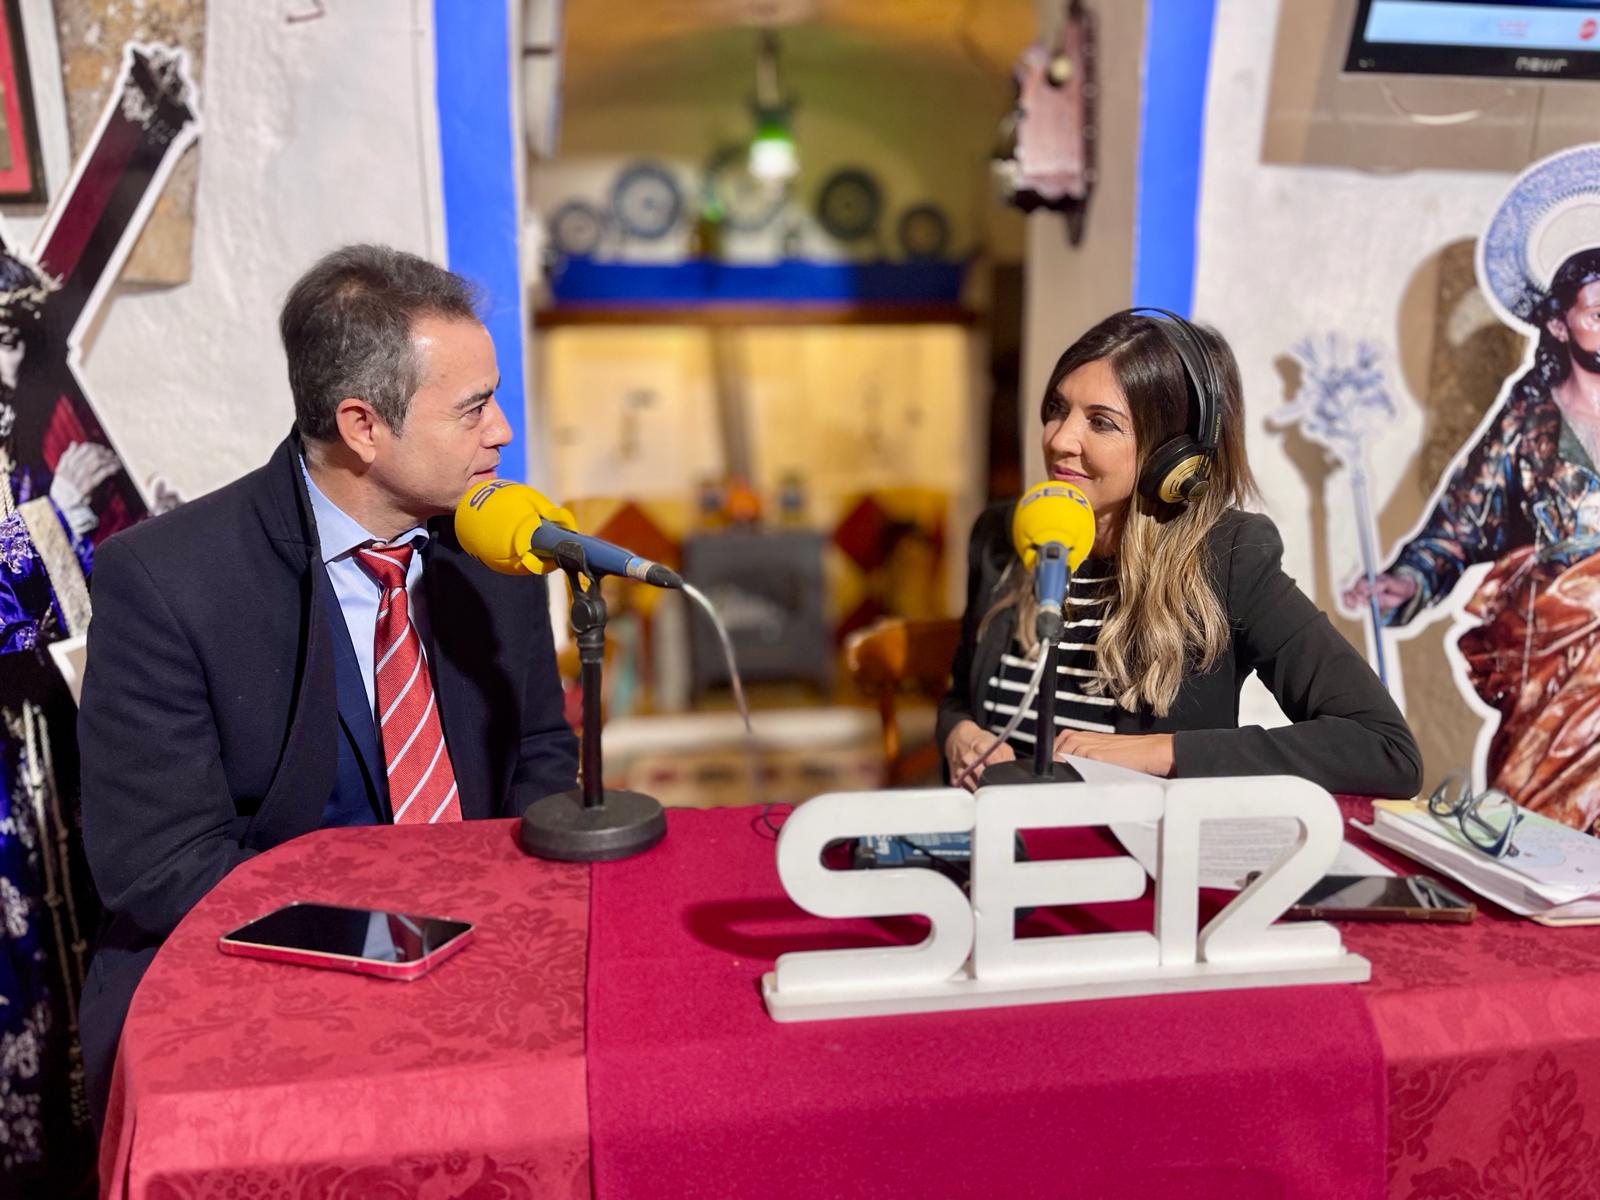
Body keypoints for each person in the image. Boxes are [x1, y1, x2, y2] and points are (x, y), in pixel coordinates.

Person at [76, 244, 579, 1131]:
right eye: (473, 409)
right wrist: (389, 938)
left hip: (483, 954)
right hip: (259, 970)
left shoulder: (498, 541)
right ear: (362, 426)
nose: (501, 430)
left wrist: (508, 918)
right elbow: (158, 867)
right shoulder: (165, 581)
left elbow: (539, 750)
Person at [940, 309, 1421, 798]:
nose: (1060, 439)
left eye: (1101, 423)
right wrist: (958, 733)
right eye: (1058, 410)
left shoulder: (1229, 558)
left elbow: (1383, 748)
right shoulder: (1003, 535)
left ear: (1172, 455)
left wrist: (1163, 752)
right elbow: (960, 695)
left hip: (1128, 859)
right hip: (990, 839)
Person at [1345, 248, 1600, 831]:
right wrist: (1408, 579)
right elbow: (1462, 522)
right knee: (1541, 820)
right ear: (1559, 324)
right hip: (1551, 655)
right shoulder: (1527, 422)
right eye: (1599, 313)